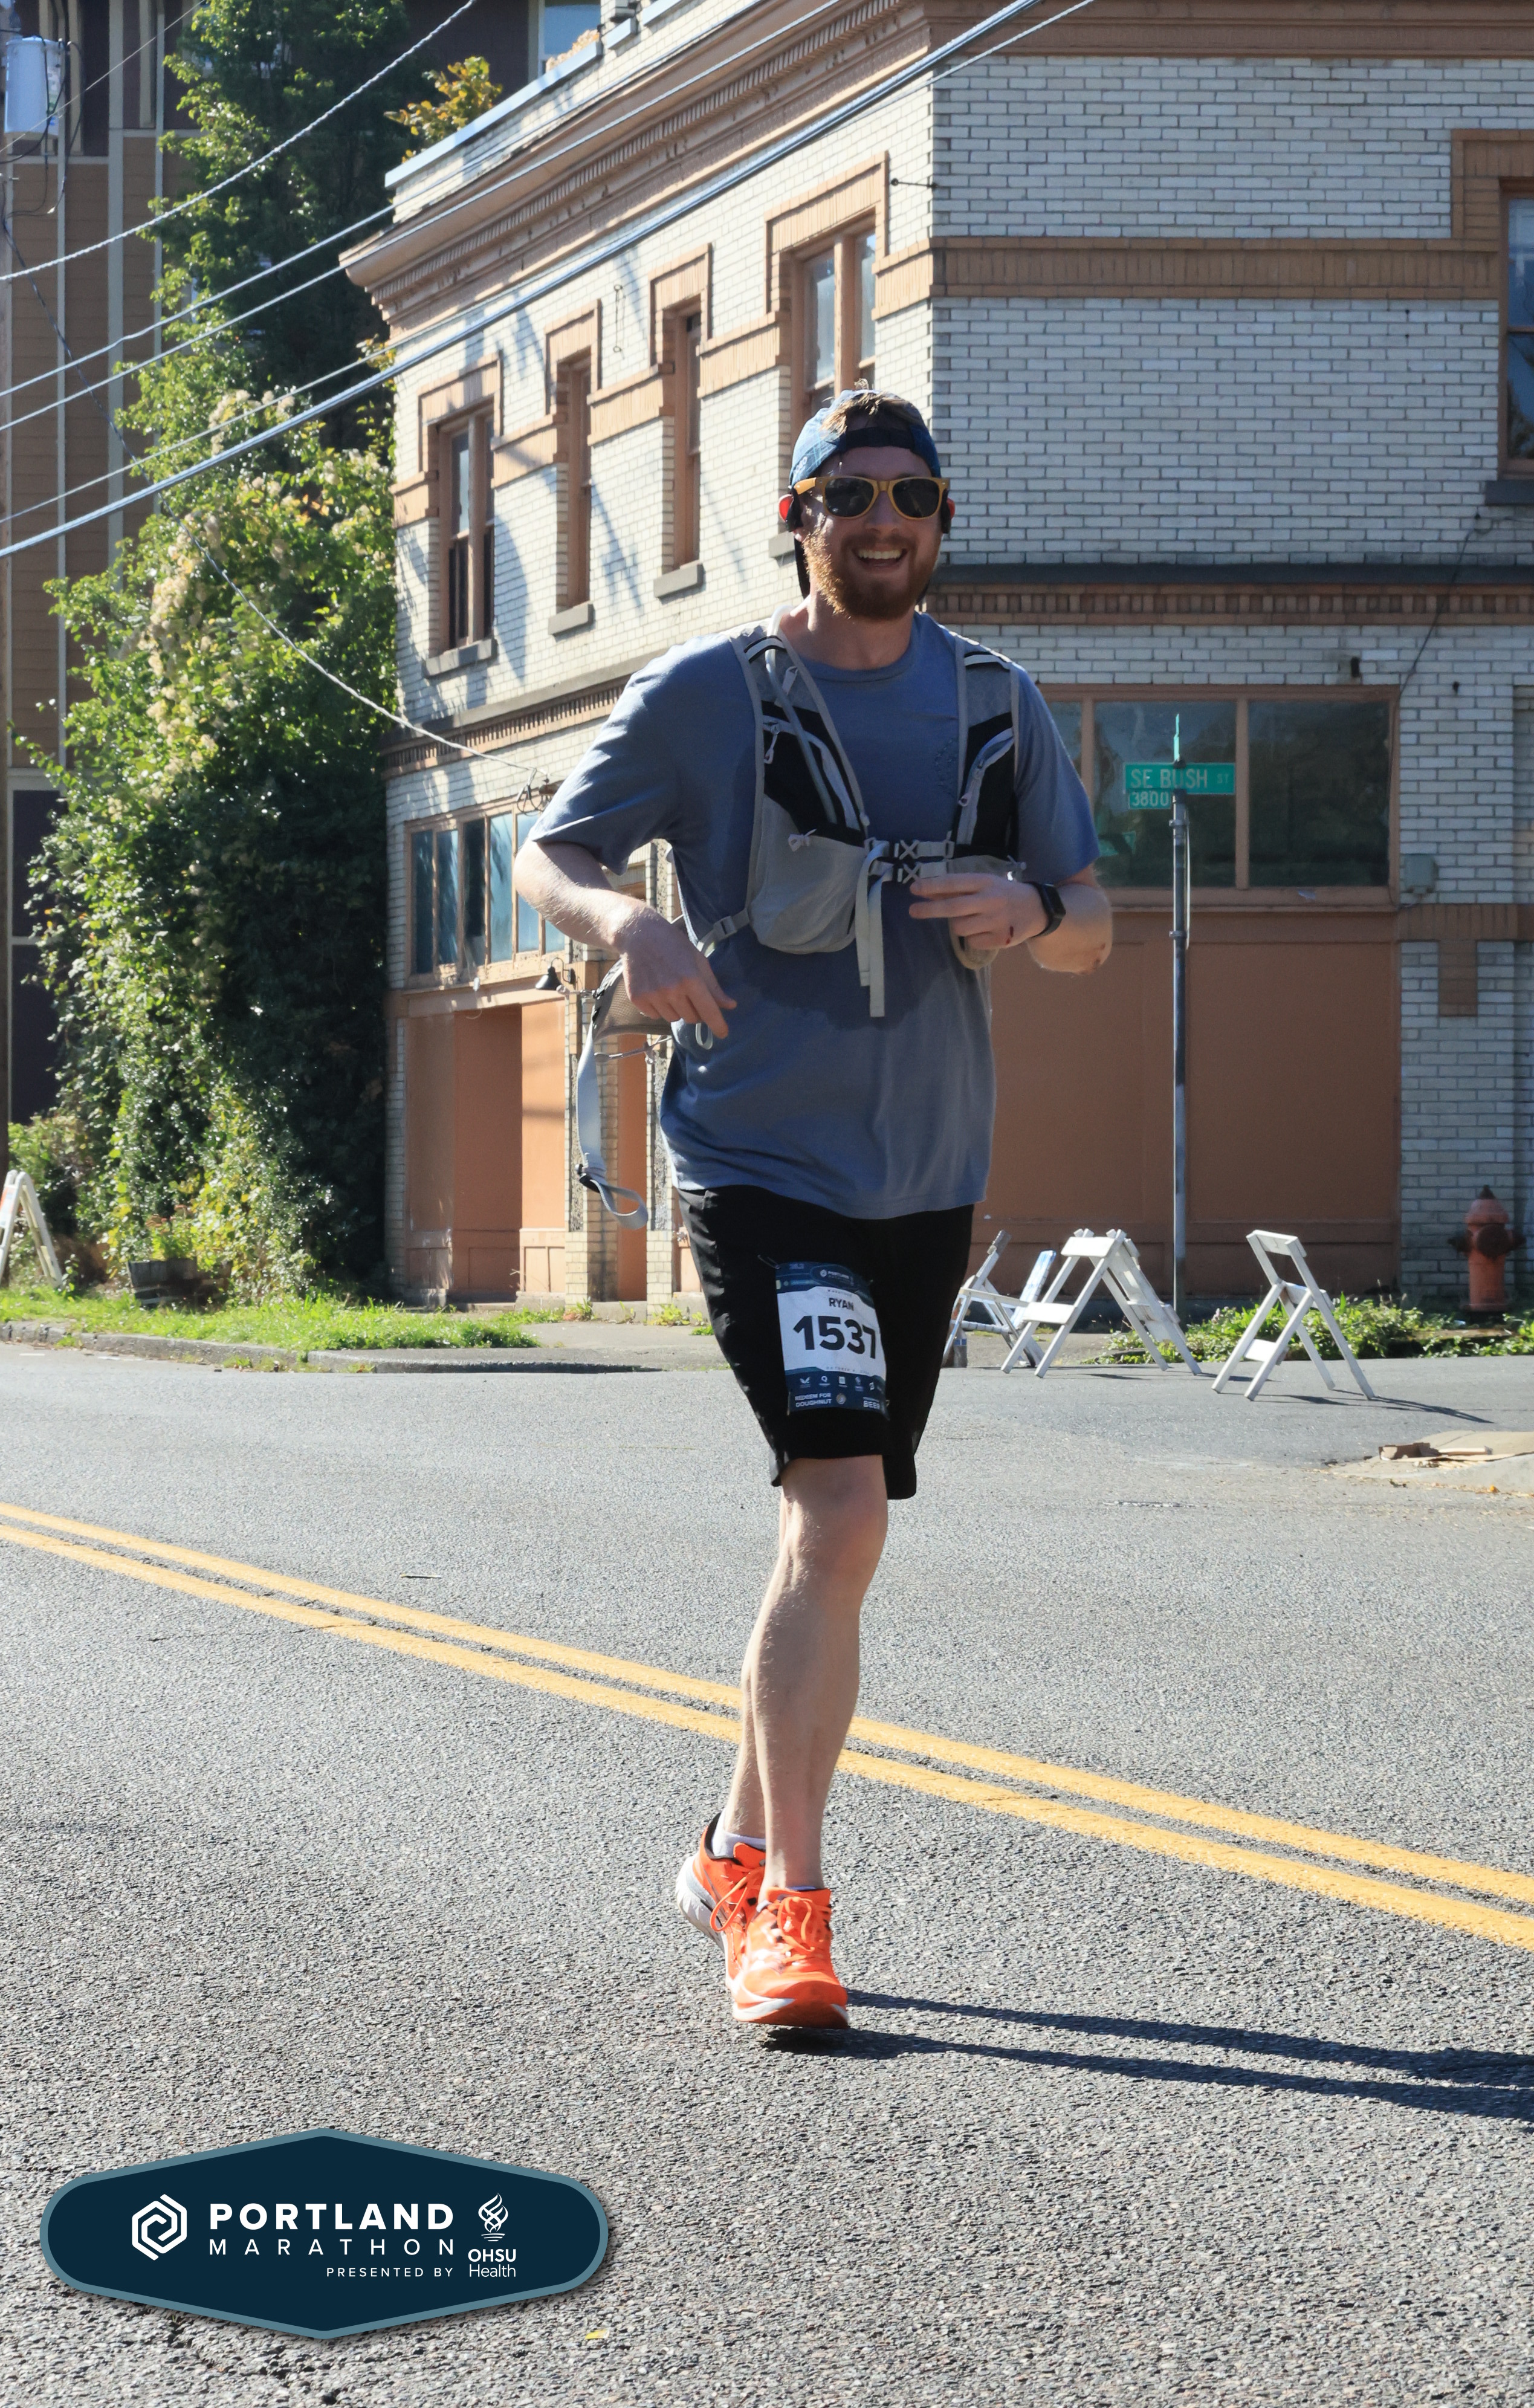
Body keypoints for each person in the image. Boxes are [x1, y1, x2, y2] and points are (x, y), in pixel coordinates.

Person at [517, 389, 1112, 2030]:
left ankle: (726, 1848)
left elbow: (1092, 924)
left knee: (827, 1535)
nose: (883, 520)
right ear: (799, 519)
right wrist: (628, 928)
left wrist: (1033, 905)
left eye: (912, 495)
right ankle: (788, 1912)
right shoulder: (711, 693)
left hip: (927, 1172)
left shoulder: (996, 702)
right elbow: (547, 855)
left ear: (941, 519)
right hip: (761, 1161)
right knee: (840, 1512)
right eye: (849, 495)